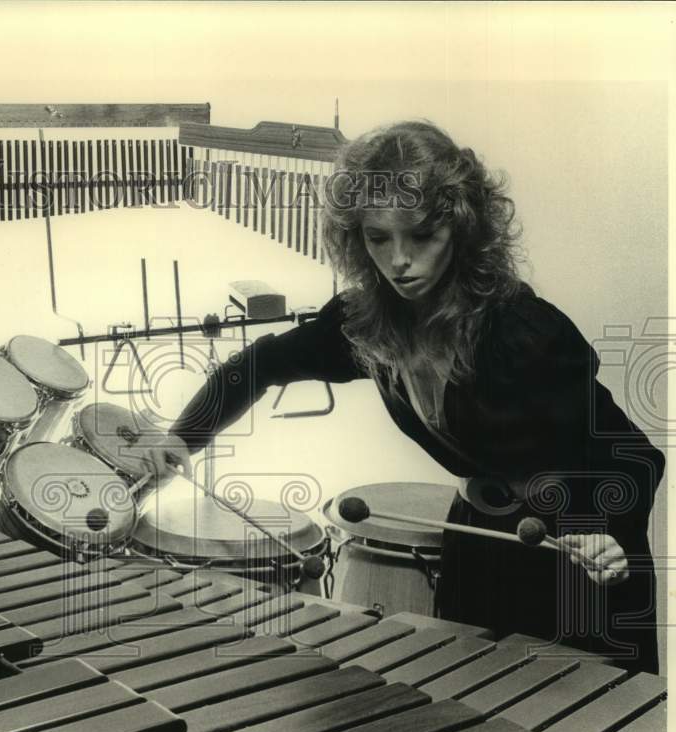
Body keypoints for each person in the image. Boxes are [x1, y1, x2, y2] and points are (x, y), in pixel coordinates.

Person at [142, 120, 664, 674]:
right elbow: (259, 364)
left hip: (574, 561)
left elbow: (630, 455)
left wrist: (604, 532)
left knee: (582, 731)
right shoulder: (366, 323)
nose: (398, 261)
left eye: (420, 236)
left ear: (461, 229)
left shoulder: (523, 332)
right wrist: (182, 436)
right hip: (479, 543)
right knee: (467, 715)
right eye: (377, 238)